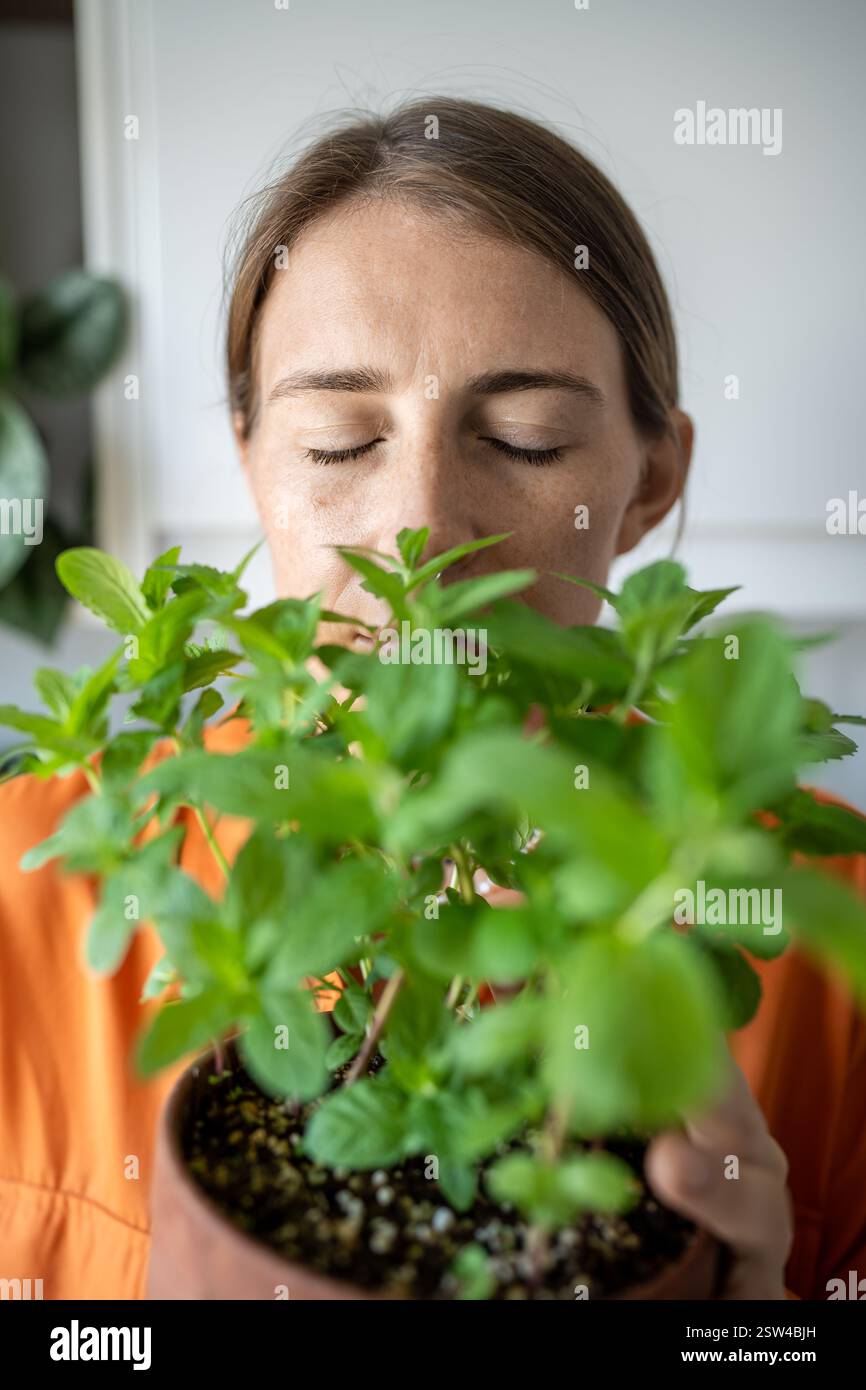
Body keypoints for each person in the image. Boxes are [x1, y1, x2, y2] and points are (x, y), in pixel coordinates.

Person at [1, 97, 864, 1301]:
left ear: (648, 478)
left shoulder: (830, 925)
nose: (421, 528)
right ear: (249, 456)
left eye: (521, 438)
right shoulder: (28, 875)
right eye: (340, 441)